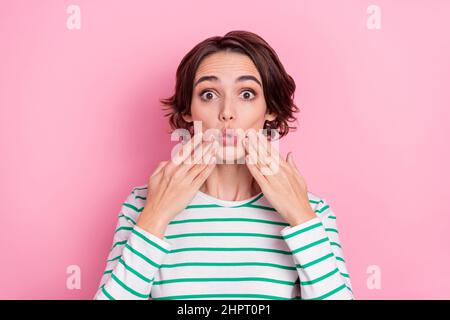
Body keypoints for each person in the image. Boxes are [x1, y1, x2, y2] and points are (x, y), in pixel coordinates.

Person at [93, 30, 354, 300]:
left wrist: (301, 217)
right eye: (208, 94)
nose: (227, 112)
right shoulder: (142, 204)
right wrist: (155, 217)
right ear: (187, 111)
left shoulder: (314, 211)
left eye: (246, 94)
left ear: (270, 109)